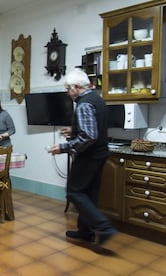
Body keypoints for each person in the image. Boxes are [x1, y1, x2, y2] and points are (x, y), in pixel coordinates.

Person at [47, 68, 117, 248]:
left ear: (76, 87)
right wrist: (74, 130)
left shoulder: (84, 104)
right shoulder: (97, 99)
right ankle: (86, 232)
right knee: (89, 193)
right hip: (101, 154)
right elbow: (94, 127)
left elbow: (89, 136)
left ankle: (103, 227)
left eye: (68, 89)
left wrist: (62, 147)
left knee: (74, 192)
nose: (67, 93)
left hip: (89, 157)